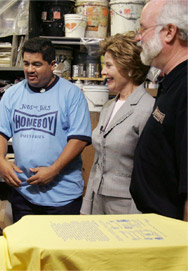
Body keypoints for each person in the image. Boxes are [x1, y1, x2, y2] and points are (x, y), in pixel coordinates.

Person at [0, 37, 92, 223]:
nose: (30, 70)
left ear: (52, 64)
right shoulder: (12, 94)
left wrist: (54, 170)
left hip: (63, 197)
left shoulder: (71, 94)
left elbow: (79, 139)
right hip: (24, 194)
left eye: (37, 64)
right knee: (28, 251)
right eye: (27, 63)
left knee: (61, 252)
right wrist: (0, 161)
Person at [80, 31, 155, 215]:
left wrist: (138, 216)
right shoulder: (108, 106)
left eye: (108, 66)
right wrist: (87, 205)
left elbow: (149, 172)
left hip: (127, 207)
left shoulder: (147, 109)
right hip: (98, 201)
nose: (103, 72)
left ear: (128, 67)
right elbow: (98, 163)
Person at [130, 0, 188, 221]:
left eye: (143, 28)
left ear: (169, 32)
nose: (138, 37)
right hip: (158, 224)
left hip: (175, 235)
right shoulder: (171, 81)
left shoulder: (185, 87)